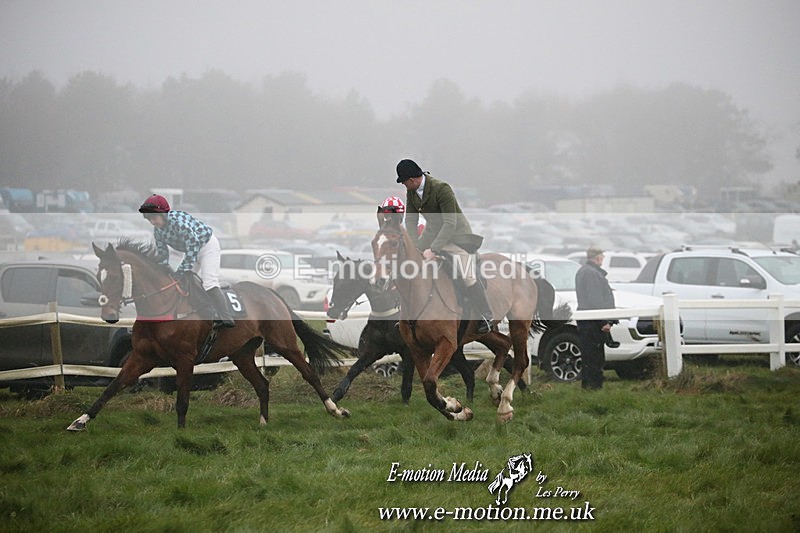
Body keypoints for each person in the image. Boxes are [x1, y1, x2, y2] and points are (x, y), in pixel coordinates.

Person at [395, 158, 492, 334]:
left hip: (456, 236)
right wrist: (414, 246)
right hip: (432, 234)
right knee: (409, 263)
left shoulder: (442, 188)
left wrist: (434, 250)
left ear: (411, 180)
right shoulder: (412, 191)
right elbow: (410, 219)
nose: (404, 186)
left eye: (404, 182)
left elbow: (449, 223)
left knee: (467, 275)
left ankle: (486, 315)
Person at [138, 194, 235, 328]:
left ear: (164, 214)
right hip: (192, 250)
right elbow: (162, 255)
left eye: (154, 218)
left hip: (207, 247)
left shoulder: (179, 222)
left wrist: (181, 270)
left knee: (209, 283)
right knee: (182, 282)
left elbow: (193, 246)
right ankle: (202, 311)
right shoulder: (158, 231)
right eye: (149, 220)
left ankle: (226, 317)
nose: (153, 222)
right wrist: (162, 273)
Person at [574, 246, 617, 389]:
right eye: (602, 256)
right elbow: (595, 299)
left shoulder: (584, 271)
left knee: (589, 356)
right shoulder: (592, 274)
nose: (603, 259)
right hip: (593, 323)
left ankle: (588, 387)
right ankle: (594, 387)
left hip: (588, 321)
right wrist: (604, 321)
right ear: (598, 257)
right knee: (595, 358)